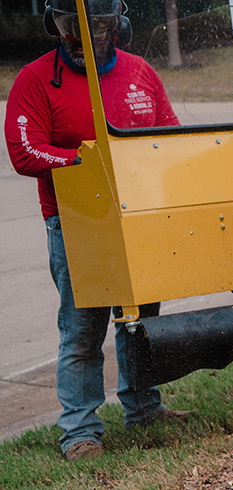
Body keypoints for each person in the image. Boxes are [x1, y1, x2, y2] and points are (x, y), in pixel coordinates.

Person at [5, 0, 190, 461]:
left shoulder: (139, 71)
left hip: (139, 217)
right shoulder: (35, 78)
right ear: (56, 25)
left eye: (99, 23)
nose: (85, 34)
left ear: (117, 23)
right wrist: (83, 162)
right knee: (83, 329)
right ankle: (80, 432)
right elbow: (26, 151)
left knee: (142, 321)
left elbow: (169, 132)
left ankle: (144, 406)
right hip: (76, 222)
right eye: (72, 23)